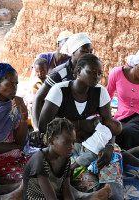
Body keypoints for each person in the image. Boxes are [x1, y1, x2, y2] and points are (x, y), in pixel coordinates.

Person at [39, 54, 124, 199]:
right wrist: (78, 124)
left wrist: (109, 146)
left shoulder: (100, 92)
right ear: (78, 71)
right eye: (91, 72)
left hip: (98, 147)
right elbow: (43, 126)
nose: (96, 76)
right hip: (67, 152)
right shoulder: (60, 91)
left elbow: (108, 124)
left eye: (99, 73)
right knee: (91, 186)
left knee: (114, 188)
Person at [23, 117, 112, 200]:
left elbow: (67, 192)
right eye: (66, 142)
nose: (71, 146)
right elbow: (51, 198)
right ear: (51, 141)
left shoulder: (65, 159)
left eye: (73, 142)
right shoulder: (40, 160)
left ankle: (89, 196)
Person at [31, 32, 93, 138]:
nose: (88, 55)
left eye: (90, 51)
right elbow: (38, 98)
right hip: (59, 122)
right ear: (73, 52)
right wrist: (37, 129)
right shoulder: (59, 73)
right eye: (84, 51)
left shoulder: (88, 71)